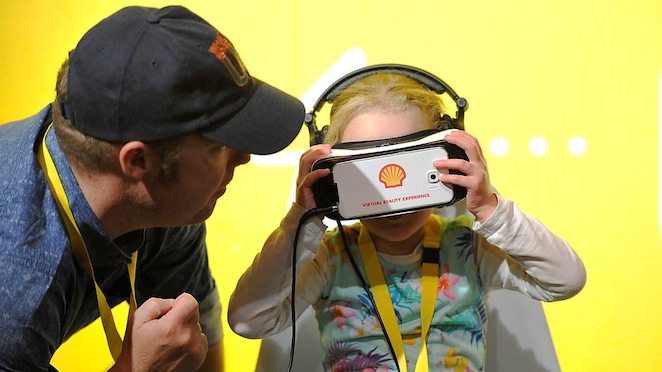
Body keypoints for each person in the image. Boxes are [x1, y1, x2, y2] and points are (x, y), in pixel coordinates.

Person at [0, 5, 305, 372]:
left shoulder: (165, 206)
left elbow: (194, 340)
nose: (244, 158)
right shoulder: (17, 288)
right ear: (138, 163)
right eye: (218, 146)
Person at [227, 70, 586, 371]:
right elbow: (248, 321)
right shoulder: (329, 257)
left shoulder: (469, 249)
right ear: (332, 177)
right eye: (369, 173)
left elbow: (566, 280)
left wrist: (491, 208)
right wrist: (300, 222)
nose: (392, 202)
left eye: (408, 167)